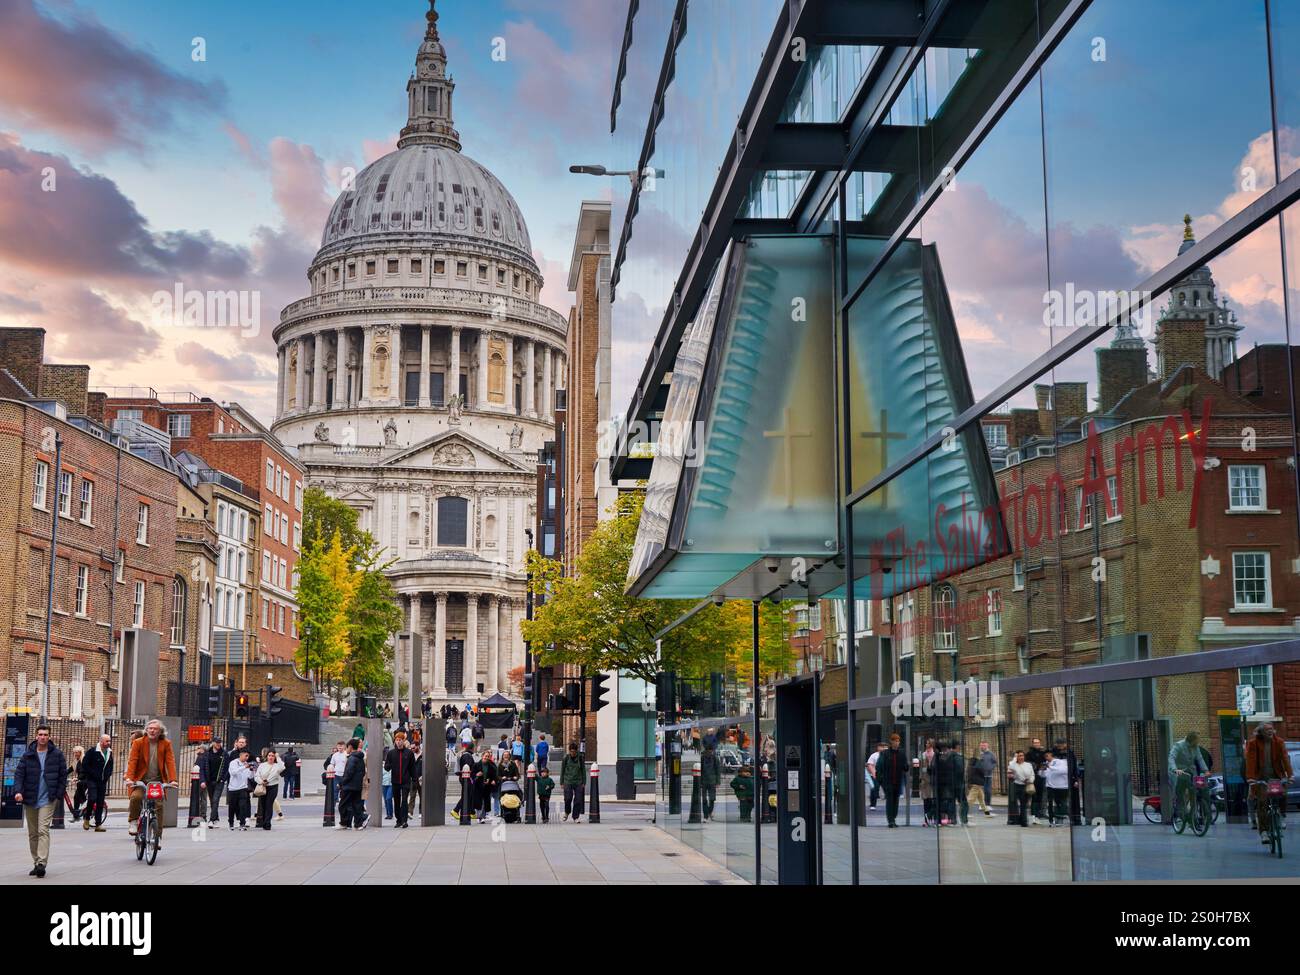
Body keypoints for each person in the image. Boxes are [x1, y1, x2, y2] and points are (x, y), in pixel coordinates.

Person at [13, 724, 67, 877]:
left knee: (43, 830)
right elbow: (19, 775)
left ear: (49, 737)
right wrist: (18, 791)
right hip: (30, 798)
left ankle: (42, 863)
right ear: (36, 736)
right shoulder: (28, 755)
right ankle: (36, 862)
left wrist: (58, 794)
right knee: (33, 833)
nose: (43, 737)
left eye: (45, 734)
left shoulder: (57, 754)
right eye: (40, 734)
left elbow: (63, 776)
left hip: (48, 799)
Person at [125, 719, 177, 845]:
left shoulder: (166, 743)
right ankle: (133, 821)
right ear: (146, 730)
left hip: (157, 782)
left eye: (156, 729)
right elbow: (133, 761)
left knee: (158, 806)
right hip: (141, 780)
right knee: (136, 798)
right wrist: (129, 778)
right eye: (150, 728)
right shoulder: (138, 742)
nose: (152, 730)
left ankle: (157, 837)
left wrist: (173, 780)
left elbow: (170, 762)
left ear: (160, 732)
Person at [1245, 722, 1293, 843]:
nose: (1270, 731)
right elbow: (1250, 762)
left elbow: (1285, 758)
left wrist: (1290, 775)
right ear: (1261, 732)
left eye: (1271, 729)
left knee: (1283, 795)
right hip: (1260, 778)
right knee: (1262, 803)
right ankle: (1264, 832)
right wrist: (1251, 778)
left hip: (1276, 776)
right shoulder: (1253, 743)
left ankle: (1282, 815)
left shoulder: (1279, 742)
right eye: (1267, 730)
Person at [1167, 730, 1209, 821]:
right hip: (1180, 772)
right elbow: (1171, 757)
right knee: (1181, 794)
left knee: (1198, 789)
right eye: (1197, 740)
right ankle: (1181, 813)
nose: (1198, 742)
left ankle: (1195, 814)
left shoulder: (1196, 747)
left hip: (1191, 771)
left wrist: (1205, 770)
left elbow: (1200, 758)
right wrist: (1175, 769)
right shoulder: (1179, 745)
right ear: (1191, 740)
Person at [80, 733, 113, 831]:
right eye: (107, 741)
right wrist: (92, 774)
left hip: (102, 781)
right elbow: (85, 764)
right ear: (101, 741)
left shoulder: (110, 752)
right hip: (92, 780)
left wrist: (107, 775)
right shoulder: (92, 751)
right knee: (92, 798)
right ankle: (87, 818)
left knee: (100, 802)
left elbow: (110, 766)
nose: (109, 743)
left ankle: (98, 824)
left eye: (109, 741)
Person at [385, 730, 417, 828]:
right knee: (397, 801)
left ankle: (404, 820)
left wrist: (414, 779)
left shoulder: (409, 753)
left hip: (405, 781)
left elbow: (412, 767)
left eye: (400, 740)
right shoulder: (391, 753)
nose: (398, 742)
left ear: (404, 740)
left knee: (404, 801)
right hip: (395, 781)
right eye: (397, 740)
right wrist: (389, 765)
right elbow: (386, 767)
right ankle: (398, 820)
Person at [876, 734, 908, 828]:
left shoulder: (901, 753)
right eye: (895, 741)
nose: (897, 743)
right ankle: (890, 820)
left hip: (898, 781)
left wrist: (906, 766)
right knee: (890, 800)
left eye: (898, 741)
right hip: (888, 781)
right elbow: (879, 766)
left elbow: (905, 767)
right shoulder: (885, 753)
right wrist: (880, 780)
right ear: (891, 742)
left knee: (896, 801)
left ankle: (893, 818)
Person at [337, 738, 369, 829]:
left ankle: (344, 823)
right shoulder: (360, 758)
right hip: (357, 786)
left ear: (350, 747)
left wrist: (342, 783)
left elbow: (348, 773)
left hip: (348, 786)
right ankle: (358, 824)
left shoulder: (352, 758)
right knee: (357, 805)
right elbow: (362, 772)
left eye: (347, 747)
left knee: (342, 805)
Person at [196, 737, 226, 829]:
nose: (218, 744)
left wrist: (223, 779)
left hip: (219, 781)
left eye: (219, 743)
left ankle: (211, 820)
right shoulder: (207, 754)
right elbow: (202, 769)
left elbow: (226, 768)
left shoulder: (224, 754)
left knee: (215, 800)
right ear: (213, 743)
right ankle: (216, 819)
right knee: (212, 800)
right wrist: (203, 780)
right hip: (209, 781)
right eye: (217, 743)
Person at [931, 740, 963, 826]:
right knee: (949, 800)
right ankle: (951, 818)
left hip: (941, 782)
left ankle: (941, 819)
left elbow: (931, 768)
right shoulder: (951, 756)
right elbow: (959, 769)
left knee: (943, 801)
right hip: (948, 782)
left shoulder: (938, 756)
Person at [1052, 738, 1082, 825]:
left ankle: (1075, 818)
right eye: (1060, 744)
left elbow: (1075, 767)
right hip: (1057, 782)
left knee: (1072, 800)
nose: (1061, 746)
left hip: (1069, 780)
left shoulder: (1070, 753)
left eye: (1063, 744)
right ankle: (1059, 818)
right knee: (1058, 800)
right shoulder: (1053, 753)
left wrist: (1076, 779)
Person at [255, 749, 284, 830]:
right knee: (263, 804)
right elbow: (257, 775)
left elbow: (282, 767)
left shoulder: (277, 766)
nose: (271, 757)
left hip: (273, 786)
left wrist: (278, 757)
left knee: (269, 804)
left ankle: (268, 823)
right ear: (266, 756)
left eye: (272, 756)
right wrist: (261, 781)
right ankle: (264, 821)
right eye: (269, 755)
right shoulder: (262, 765)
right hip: (263, 786)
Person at [451, 743, 479, 823]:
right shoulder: (467, 756)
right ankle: (456, 810)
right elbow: (468, 767)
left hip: (465, 778)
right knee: (466, 795)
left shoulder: (465, 755)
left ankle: (471, 812)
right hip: (467, 778)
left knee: (468, 795)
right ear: (472, 748)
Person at [227, 750, 253, 830]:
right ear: (241, 755)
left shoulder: (246, 764)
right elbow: (233, 773)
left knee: (242, 806)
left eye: (248, 756)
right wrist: (244, 767)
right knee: (232, 807)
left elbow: (250, 776)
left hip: (243, 788)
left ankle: (242, 824)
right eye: (245, 756)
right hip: (233, 788)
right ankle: (231, 823)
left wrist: (252, 770)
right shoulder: (234, 763)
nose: (247, 758)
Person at [560, 741, 586, 823]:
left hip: (578, 781)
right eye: (571, 751)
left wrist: (584, 782)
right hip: (568, 780)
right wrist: (562, 782)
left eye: (574, 751)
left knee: (578, 800)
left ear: (576, 751)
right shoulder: (566, 758)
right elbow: (562, 770)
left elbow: (583, 770)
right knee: (568, 798)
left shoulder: (580, 758)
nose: (573, 753)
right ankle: (567, 812)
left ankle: (575, 817)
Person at [1025, 737, 1048, 823]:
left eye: (1038, 742)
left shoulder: (1043, 753)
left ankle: (1040, 813)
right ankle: (1034, 814)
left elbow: (1046, 762)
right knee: (1034, 796)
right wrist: (1037, 766)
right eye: (1035, 743)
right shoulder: (1029, 754)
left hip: (1042, 776)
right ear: (1032, 744)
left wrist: (1043, 766)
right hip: (1034, 776)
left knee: (1041, 796)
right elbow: (1028, 764)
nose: (1036, 744)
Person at [1008, 750, 1034, 827]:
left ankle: (1023, 820)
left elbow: (1032, 774)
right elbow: (1011, 769)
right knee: (1019, 803)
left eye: (1022, 755)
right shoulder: (1013, 765)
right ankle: (1022, 820)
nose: (1021, 757)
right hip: (1018, 785)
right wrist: (1015, 759)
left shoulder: (1028, 764)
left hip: (1027, 785)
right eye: (1019, 756)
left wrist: (1030, 780)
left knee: (1024, 804)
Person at [1043, 751, 1069, 826]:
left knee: (1062, 803)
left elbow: (1063, 771)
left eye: (1047, 755)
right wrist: (1042, 770)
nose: (1046, 757)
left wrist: (1050, 767)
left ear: (1052, 755)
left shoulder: (1060, 762)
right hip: (1050, 786)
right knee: (1050, 803)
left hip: (1061, 786)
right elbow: (1044, 775)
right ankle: (1051, 819)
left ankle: (1062, 818)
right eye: (1045, 756)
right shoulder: (1047, 764)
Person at [700, 743, 721, 821]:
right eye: (708, 751)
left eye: (710, 751)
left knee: (712, 799)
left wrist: (718, 782)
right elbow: (700, 770)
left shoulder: (715, 758)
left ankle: (709, 812)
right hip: (704, 781)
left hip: (712, 781)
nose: (709, 752)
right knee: (704, 799)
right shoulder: (702, 758)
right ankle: (706, 815)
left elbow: (718, 771)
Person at [966, 752, 992, 817]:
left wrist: (969, 782)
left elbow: (969, 773)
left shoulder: (971, 763)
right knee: (971, 799)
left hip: (975, 783)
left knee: (981, 799)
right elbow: (983, 771)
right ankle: (965, 813)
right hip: (977, 783)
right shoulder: (978, 763)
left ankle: (987, 813)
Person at [478, 749, 499, 821]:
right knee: (482, 801)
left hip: (488, 786)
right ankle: (481, 816)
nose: (487, 757)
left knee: (486, 801)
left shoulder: (492, 764)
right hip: (480, 785)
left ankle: (483, 816)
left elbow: (495, 774)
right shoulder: (478, 764)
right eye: (486, 755)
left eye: (489, 755)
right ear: (482, 756)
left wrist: (492, 780)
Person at [976, 741, 997, 811]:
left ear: (987, 746)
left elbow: (994, 762)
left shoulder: (991, 754)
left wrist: (991, 768)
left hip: (989, 775)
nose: (982, 747)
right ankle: (982, 804)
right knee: (981, 791)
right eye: (981, 745)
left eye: (984, 745)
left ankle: (988, 804)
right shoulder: (979, 754)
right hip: (981, 775)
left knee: (988, 790)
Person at [69, 745, 87, 821]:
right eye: (75, 752)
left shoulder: (84, 760)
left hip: (86, 780)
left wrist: (77, 778)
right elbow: (69, 770)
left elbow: (84, 771)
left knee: (80, 784)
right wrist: (61, 774)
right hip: (80, 780)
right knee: (76, 797)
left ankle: (84, 801)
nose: (76, 754)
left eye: (77, 752)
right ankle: (76, 816)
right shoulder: (76, 761)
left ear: (81, 752)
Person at [867, 743, 885, 808]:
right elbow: (869, 764)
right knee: (874, 789)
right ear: (878, 748)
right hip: (875, 775)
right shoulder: (874, 755)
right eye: (881, 747)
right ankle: (873, 804)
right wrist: (873, 773)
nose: (882, 748)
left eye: (883, 747)